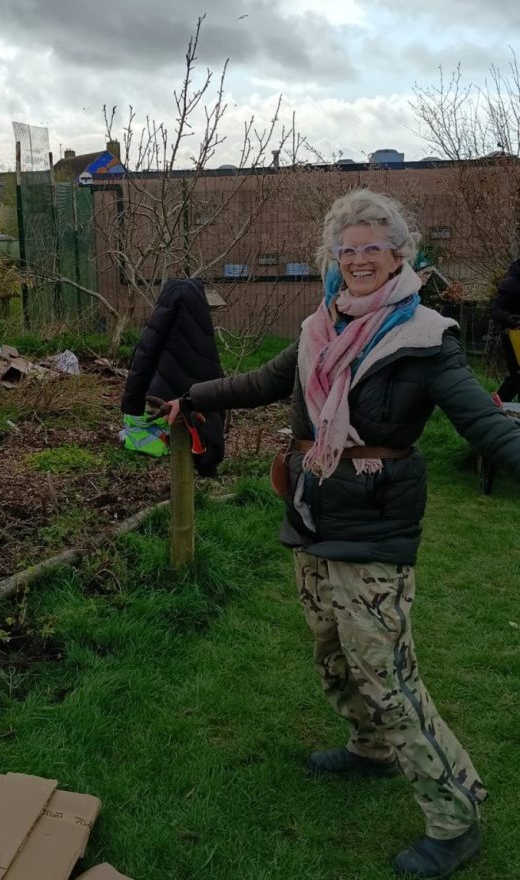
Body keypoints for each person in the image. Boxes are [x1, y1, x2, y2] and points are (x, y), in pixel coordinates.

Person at [155, 189, 520, 878]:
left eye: (372, 249)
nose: (358, 260)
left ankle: (455, 812)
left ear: (398, 257)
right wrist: (194, 397)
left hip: (375, 525)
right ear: (334, 257)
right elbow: (266, 381)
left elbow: (486, 425)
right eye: (346, 250)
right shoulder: (318, 327)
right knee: (332, 651)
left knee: (387, 671)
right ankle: (369, 747)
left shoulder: (425, 337)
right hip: (312, 510)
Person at [121, 278, 225, 476]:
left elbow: (145, 354)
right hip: (192, 398)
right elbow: (214, 372)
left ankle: (186, 488)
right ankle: (203, 467)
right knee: (196, 431)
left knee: (177, 430)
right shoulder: (202, 327)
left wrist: (132, 404)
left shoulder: (164, 313)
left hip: (164, 395)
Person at [490, 256, 520, 403]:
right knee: (518, 375)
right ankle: (497, 404)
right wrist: (508, 318)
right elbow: (496, 309)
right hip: (514, 335)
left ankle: (497, 403)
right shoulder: (511, 284)